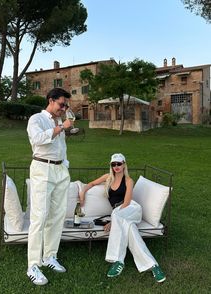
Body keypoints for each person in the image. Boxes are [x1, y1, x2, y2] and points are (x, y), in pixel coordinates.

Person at [79, 153, 166, 283]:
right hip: (121, 215)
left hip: (132, 209)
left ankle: (117, 260)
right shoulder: (107, 178)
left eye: (119, 163)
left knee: (116, 214)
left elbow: (126, 203)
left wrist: (113, 222)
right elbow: (91, 184)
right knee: (130, 229)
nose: (116, 166)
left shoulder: (129, 181)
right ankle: (153, 266)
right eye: (113, 164)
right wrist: (82, 192)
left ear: (124, 164)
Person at [26, 87, 73, 285]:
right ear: (51, 100)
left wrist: (65, 165)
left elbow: (60, 147)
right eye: (62, 104)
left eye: (66, 105)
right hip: (42, 169)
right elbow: (38, 140)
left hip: (60, 170)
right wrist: (61, 128)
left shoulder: (59, 121)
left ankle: (49, 256)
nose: (64, 108)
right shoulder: (36, 119)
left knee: (58, 214)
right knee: (40, 216)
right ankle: (33, 265)